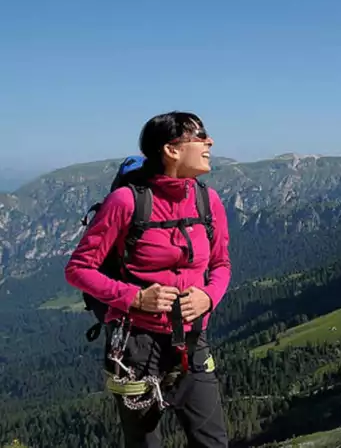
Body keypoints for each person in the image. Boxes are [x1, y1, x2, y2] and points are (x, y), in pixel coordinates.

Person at [65, 111, 231, 448]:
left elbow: (221, 264)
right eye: (199, 135)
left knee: (213, 442)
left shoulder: (207, 200)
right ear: (171, 149)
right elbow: (78, 269)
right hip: (134, 347)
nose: (209, 141)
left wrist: (209, 297)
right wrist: (135, 299)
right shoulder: (126, 201)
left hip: (192, 340)